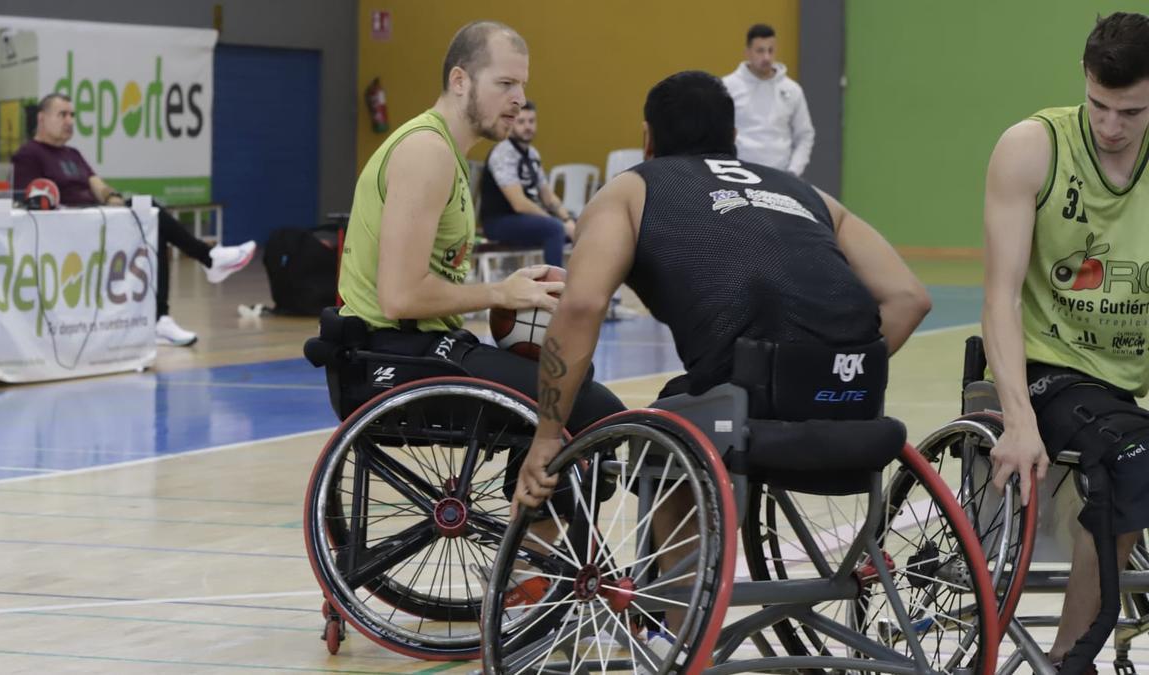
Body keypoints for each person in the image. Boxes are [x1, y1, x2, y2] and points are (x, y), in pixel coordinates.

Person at [511, 70, 929, 648]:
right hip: (857, 411)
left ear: (647, 138)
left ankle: (671, 629)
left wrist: (547, 435)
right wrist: (836, 372)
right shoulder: (804, 192)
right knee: (688, 401)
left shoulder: (631, 189)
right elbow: (910, 299)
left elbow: (580, 305)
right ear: (734, 134)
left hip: (741, 406)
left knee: (665, 426)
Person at [335, 20, 625, 598]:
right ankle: (529, 570)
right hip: (390, 354)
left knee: (577, 390)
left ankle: (535, 564)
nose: (518, 99)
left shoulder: (449, 156)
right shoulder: (426, 152)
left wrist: (517, 288)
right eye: (506, 83)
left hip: (418, 345)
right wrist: (499, 294)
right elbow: (399, 295)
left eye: (523, 85)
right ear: (461, 80)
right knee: (591, 412)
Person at [982, 11, 1149, 672]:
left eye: (1131, 112)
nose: (1111, 127)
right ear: (1084, 80)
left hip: (1126, 383)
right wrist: (1018, 418)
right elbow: (998, 294)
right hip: (1052, 370)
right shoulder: (1033, 148)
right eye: (1099, 106)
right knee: (1134, 454)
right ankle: (1067, 660)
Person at [11, 93, 256, 347]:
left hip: (98, 219)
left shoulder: (72, 154)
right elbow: (32, 203)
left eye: (72, 115)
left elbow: (97, 184)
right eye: (62, 114)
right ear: (42, 118)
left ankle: (161, 318)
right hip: (70, 229)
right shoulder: (28, 155)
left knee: (149, 215)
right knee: (149, 210)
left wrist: (113, 198)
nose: (70, 121)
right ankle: (208, 259)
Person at [478, 100, 576, 267]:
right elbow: (519, 204)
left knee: (583, 224)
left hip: (526, 219)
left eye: (531, 121)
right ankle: (557, 287)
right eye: (521, 122)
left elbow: (548, 196)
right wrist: (559, 224)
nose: (527, 127)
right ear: (512, 124)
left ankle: (591, 285)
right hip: (499, 221)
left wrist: (567, 219)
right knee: (554, 229)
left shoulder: (532, 154)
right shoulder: (503, 153)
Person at [722, 23, 814, 176]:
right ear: (748, 52)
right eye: (760, 51)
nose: (766, 57)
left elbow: (805, 135)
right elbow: (718, 134)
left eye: (771, 50)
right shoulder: (727, 87)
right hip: (739, 174)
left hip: (780, 176)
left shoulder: (792, 90)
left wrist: (793, 171)